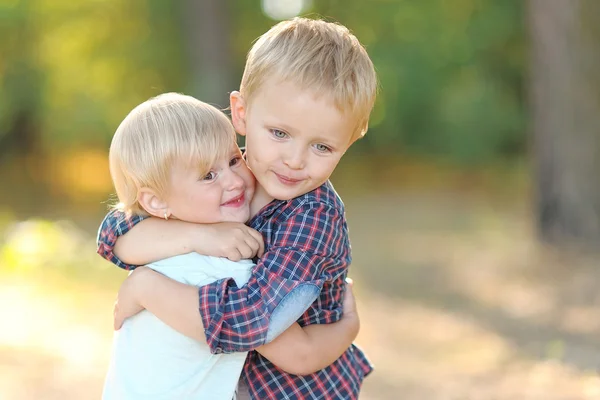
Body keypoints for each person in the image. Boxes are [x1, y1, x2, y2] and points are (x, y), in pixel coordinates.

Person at [98, 17, 378, 400]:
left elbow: (253, 322)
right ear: (242, 114)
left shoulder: (313, 217)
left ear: (351, 139)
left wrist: (147, 287)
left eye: (322, 147)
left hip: (291, 391)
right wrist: (201, 235)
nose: (294, 161)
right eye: (279, 133)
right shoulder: (230, 169)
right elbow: (117, 233)